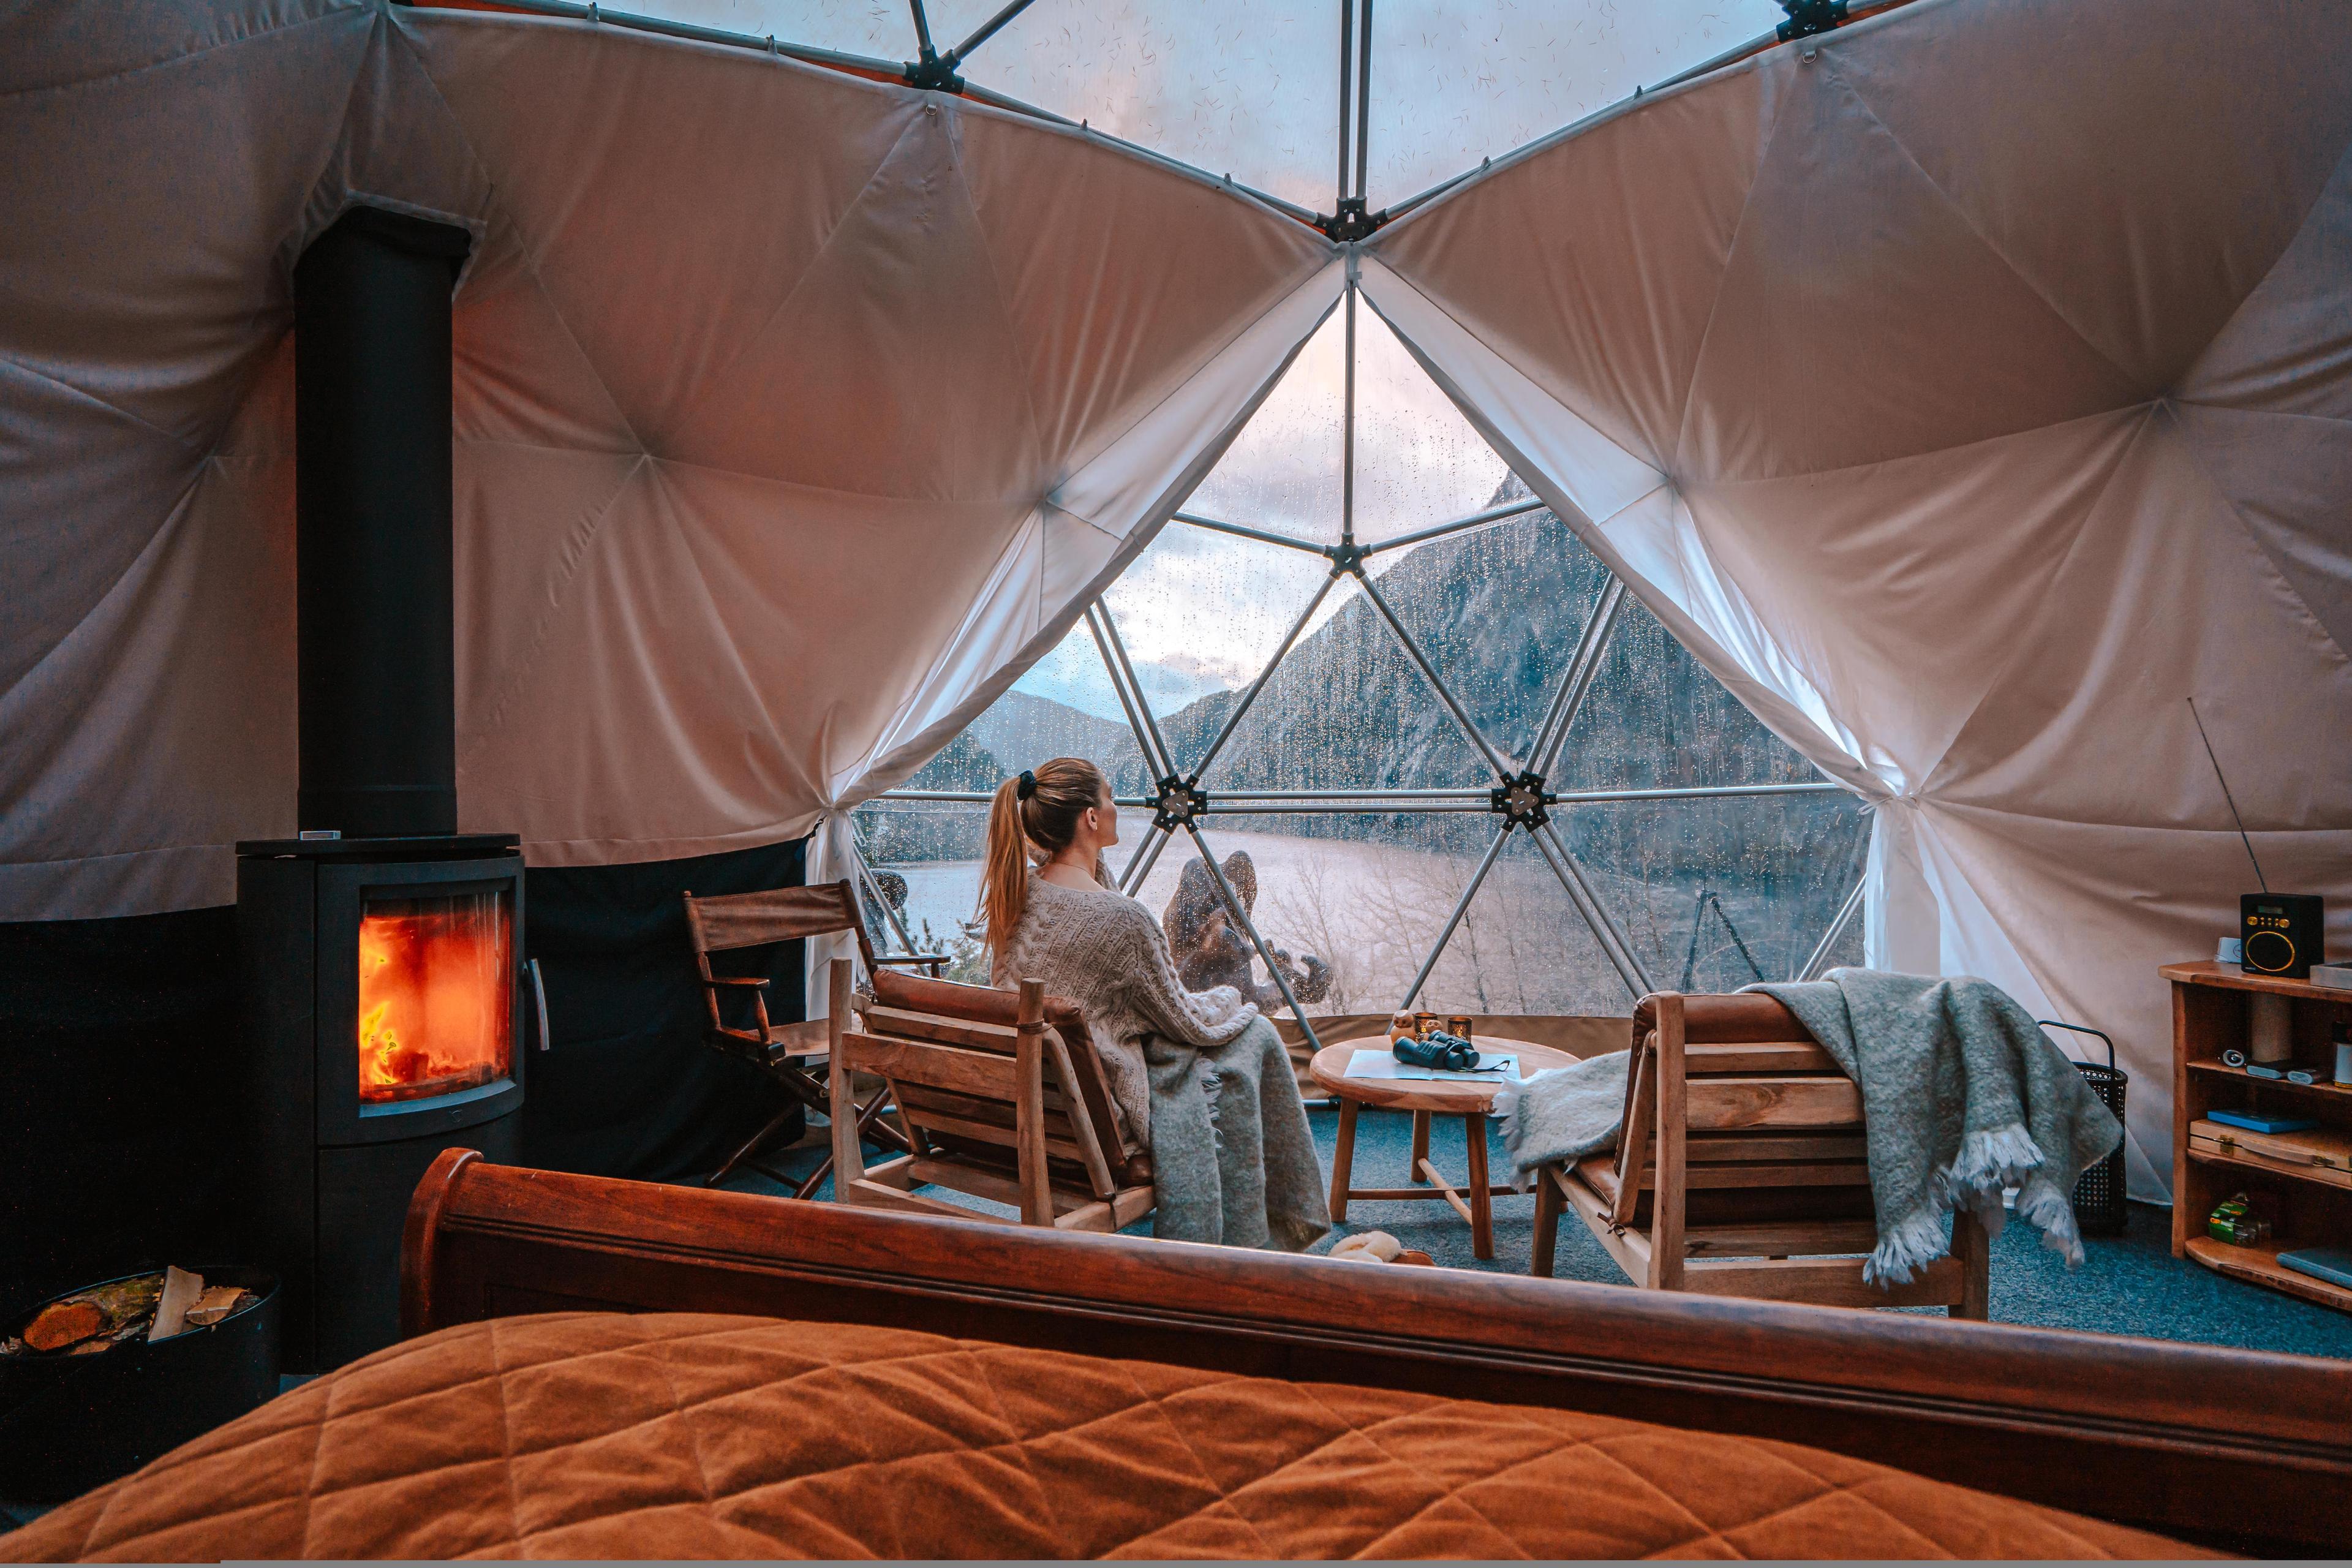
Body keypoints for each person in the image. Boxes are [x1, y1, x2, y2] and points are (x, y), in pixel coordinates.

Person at [978, 757, 1329, 1251]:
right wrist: (1232, 997)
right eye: (1110, 797)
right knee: (1256, 1035)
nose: (1116, 807)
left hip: (1026, 1096)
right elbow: (1185, 1021)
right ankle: (1268, 1230)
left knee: (1244, 1037)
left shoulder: (1016, 892)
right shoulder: (1124, 919)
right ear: (1091, 818)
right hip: (1093, 1117)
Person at [1161, 852, 1332, 1007]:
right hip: (1196, 986)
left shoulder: (1218, 900)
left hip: (1218, 983)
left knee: (1280, 958)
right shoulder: (1197, 878)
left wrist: (1253, 949)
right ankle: (1300, 990)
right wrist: (1214, 928)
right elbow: (1190, 941)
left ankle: (1295, 987)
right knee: (1226, 939)